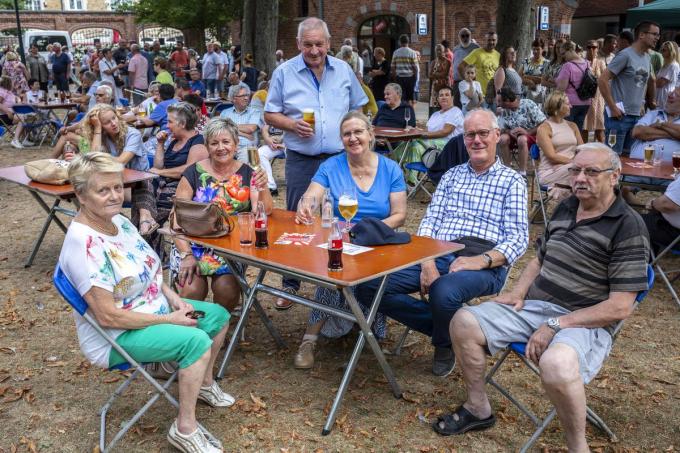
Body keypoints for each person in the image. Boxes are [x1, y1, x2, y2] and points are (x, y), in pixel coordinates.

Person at [444, 143, 649, 450]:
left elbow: (619, 307)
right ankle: (478, 407)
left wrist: (556, 324)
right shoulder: (567, 206)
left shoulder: (628, 226)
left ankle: (577, 446)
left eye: (591, 171)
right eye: (576, 170)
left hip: (585, 321)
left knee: (556, 364)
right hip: (537, 308)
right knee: (463, 321)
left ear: (614, 176)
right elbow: (539, 259)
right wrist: (517, 292)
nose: (580, 178)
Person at [59, 152, 234, 453]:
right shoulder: (83, 243)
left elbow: (150, 272)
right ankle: (184, 428)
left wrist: (176, 300)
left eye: (117, 187)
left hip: (151, 310)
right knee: (196, 342)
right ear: (81, 194)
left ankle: (202, 383)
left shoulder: (119, 223)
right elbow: (108, 318)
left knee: (218, 315)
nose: (114, 196)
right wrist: (170, 320)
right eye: (103, 190)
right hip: (115, 336)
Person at [356, 109, 528, 377]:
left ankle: (444, 341)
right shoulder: (451, 176)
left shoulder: (512, 181)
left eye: (483, 133)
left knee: (444, 291)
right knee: (367, 285)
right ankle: (450, 330)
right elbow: (430, 223)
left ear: (496, 136)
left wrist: (479, 261)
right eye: (470, 135)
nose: (477, 140)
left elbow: (519, 238)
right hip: (437, 250)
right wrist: (426, 261)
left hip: (485, 260)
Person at [264, 17, 367, 309]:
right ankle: (290, 284)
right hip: (301, 159)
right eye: (307, 44)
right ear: (298, 44)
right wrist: (292, 125)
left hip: (339, 159)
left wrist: (354, 132)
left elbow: (356, 107)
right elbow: (270, 114)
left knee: (342, 217)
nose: (313, 50)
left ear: (328, 43)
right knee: (297, 218)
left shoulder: (344, 70)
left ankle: (340, 275)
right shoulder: (284, 72)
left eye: (319, 44)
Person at [292, 111, 407, 369]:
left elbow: (399, 216)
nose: (353, 138)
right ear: (341, 139)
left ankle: (365, 326)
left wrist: (366, 232)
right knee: (333, 269)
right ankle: (309, 339)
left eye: (358, 132)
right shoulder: (331, 166)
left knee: (360, 274)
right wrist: (306, 205)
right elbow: (311, 196)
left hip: (377, 240)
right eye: (347, 134)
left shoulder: (390, 169)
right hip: (340, 238)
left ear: (370, 134)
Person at [172, 117, 272, 311]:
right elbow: (176, 218)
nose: (220, 148)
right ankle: (194, 334)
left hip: (231, 248)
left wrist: (263, 186)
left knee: (227, 289)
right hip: (193, 244)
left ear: (235, 145)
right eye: (214, 143)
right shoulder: (193, 173)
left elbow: (264, 211)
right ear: (207, 146)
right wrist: (186, 255)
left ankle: (218, 330)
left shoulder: (247, 172)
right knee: (192, 289)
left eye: (226, 142)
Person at [80, 103, 157, 234]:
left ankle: (142, 220)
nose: (113, 123)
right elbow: (94, 160)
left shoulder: (133, 134)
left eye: (114, 118)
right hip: (117, 184)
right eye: (107, 122)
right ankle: (144, 219)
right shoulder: (102, 137)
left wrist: (101, 162)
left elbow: (121, 162)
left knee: (141, 183)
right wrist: (98, 129)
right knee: (88, 193)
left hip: (138, 183)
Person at [599, 21, 660, 154]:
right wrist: (612, 106)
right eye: (654, 34)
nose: (657, 38)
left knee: (630, 158)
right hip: (619, 117)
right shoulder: (625, 55)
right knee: (612, 158)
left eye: (658, 35)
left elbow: (644, 82)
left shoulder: (647, 57)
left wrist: (645, 104)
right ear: (642, 35)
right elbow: (602, 80)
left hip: (637, 117)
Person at [150, 102, 209, 227]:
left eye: (170, 122)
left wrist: (160, 173)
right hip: (163, 184)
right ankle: (144, 224)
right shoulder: (174, 141)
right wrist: (160, 144)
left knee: (152, 206)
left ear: (182, 124)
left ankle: (148, 231)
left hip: (182, 189)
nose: (166, 125)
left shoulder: (198, 142)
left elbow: (190, 170)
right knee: (141, 191)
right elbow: (158, 166)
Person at [393, 86, 464, 184]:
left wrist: (420, 135)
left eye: (447, 95)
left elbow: (445, 132)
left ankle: (395, 159)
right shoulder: (435, 114)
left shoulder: (455, 112)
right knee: (415, 146)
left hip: (447, 147)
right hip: (430, 146)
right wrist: (416, 130)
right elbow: (426, 130)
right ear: (438, 99)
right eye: (441, 95)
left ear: (452, 98)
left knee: (414, 141)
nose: (443, 97)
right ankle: (410, 179)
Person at [535, 91, 583, 201]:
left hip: (572, 169)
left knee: (593, 171)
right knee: (586, 174)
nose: (570, 106)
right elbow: (552, 156)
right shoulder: (544, 128)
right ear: (557, 106)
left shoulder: (572, 126)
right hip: (550, 171)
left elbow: (582, 150)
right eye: (567, 103)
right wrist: (573, 163)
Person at [497, 88, 546, 176]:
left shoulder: (527, 104)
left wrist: (528, 132)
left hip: (532, 136)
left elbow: (543, 123)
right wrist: (509, 131)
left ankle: (522, 172)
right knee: (503, 139)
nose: (498, 104)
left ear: (507, 100)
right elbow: (500, 129)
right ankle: (507, 171)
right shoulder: (504, 111)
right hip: (514, 137)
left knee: (522, 139)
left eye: (500, 101)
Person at [630, 86, 680, 162]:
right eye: (670, 92)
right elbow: (637, 132)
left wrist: (660, 124)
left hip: (669, 170)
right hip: (637, 164)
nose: (669, 96)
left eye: (675, 95)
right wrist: (674, 134)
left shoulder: (657, 121)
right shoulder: (654, 114)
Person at [555, 40, 592, 135]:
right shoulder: (587, 63)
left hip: (570, 104)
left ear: (570, 50)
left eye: (563, 54)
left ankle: (568, 149)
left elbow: (561, 88)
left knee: (567, 131)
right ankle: (576, 148)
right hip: (585, 102)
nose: (563, 57)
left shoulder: (568, 66)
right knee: (577, 131)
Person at [219, 85, 261, 162]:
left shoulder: (254, 111)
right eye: (242, 96)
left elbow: (250, 129)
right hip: (227, 146)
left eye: (247, 95)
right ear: (234, 99)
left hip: (246, 147)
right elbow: (221, 130)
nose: (246, 98)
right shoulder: (225, 113)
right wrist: (244, 134)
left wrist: (228, 125)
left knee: (244, 164)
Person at [640, 176, 680, 254]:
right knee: (651, 217)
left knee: (631, 222)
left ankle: (643, 263)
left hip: (675, 233)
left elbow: (666, 204)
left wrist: (653, 203)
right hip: (670, 227)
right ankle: (649, 261)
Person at [460, 31, 499, 101]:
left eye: (493, 40)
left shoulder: (498, 55)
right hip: (479, 95)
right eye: (489, 40)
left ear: (496, 41)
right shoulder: (477, 52)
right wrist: (467, 80)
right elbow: (461, 66)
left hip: (493, 96)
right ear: (485, 41)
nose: (491, 42)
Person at [584, 40, 607, 143]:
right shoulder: (582, 62)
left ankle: (603, 151)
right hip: (585, 98)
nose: (591, 49)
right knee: (585, 127)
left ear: (598, 49)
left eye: (594, 47)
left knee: (599, 126)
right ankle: (583, 151)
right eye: (589, 47)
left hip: (598, 98)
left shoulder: (600, 62)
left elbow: (605, 79)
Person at [257, 119, 285, 196]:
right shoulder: (273, 113)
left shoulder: (290, 111)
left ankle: (295, 185)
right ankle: (271, 187)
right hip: (275, 145)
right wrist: (268, 140)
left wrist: (284, 145)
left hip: (291, 145)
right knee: (260, 153)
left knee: (292, 154)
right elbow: (264, 129)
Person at [452, 29, 479, 105]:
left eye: (467, 35)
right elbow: (454, 64)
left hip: (470, 83)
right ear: (459, 37)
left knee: (470, 106)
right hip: (457, 82)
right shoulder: (455, 49)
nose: (465, 38)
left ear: (470, 36)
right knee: (457, 105)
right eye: (463, 36)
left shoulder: (476, 48)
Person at [519, 39, 549, 107]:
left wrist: (526, 76)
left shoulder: (546, 63)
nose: (535, 51)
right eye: (534, 49)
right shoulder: (526, 61)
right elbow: (519, 77)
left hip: (540, 96)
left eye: (538, 49)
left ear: (542, 49)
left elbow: (543, 80)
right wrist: (530, 81)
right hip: (526, 94)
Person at [390, 34, 419, 104]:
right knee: (410, 98)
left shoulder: (396, 52)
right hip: (410, 78)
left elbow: (393, 67)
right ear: (408, 42)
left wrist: (395, 77)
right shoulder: (412, 52)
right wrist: (415, 78)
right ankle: (409, 112)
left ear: (400, 42)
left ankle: (402, 112)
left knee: (401, 96)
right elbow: (415, 67)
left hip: (399, 78)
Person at [656, 41, 680, 109]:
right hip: (659, 96)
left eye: (664, 50)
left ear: (670, 51)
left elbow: (660, 83)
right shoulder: (665, 65)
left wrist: (652, 81)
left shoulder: (673, 65)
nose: (662, 52)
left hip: (666, 96)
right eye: (661, 50)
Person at [429, 44, 451, 109]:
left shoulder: (447, 61)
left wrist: (435, 74)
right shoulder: (433, 62)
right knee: (435, 106)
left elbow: (445, 74)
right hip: (435, 87)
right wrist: (438, 74)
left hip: (444, 86)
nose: (438, 52)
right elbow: (430, 75)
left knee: (445, 105)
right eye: (437, 50)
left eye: (440, 50)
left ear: (443, 51)